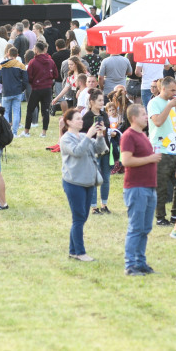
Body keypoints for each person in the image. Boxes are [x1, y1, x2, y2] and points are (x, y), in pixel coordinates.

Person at [59, 108, 106, 262]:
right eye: (78, 118)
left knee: (82, 217)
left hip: (88, 182)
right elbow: (77, 152)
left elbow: (100, 149)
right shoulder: (66, 139)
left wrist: (99, 135)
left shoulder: (85, 136)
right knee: (79, 218)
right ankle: (80, 252)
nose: (81, 121)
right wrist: (90, 135)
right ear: (69, 122)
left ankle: (73, 251)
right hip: (73, 182)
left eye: (81, 118)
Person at [121, 104, 161, 276]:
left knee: (145, 228)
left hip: (149, 187)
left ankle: (140, 262)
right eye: (144, 114)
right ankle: (130, 265)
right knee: (136, 228)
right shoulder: (129, 136)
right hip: (136, 187)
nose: (147, 117)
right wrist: (150, 158)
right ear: (134, 118)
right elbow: (126, 161)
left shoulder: (143, 135)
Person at [147, 77, 176, 225]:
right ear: (163, 89)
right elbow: (158, 122)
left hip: (173, 150)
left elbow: (172, 129)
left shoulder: (171, 104)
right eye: (172, 90)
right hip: (160, 149)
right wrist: (169, 106)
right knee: (161, 187)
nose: (175, 93)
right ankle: (160, 217)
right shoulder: (154, 103)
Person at [82, 89, 114, 214]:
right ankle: (94, 206)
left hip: (105, 149)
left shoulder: (104, 115)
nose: (102, 103)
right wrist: (92, 131)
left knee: (106, 177)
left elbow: (108, 130)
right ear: (92, 102)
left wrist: (107, 130)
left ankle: (104, 204)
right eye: (99, 100)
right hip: (93, 151)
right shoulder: (87, 117)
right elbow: (82, 135)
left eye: (103, 100)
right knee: (94, 178)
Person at [25, 42, 57, 136]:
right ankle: (44, 132)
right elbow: (56, 74)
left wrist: (33, 82)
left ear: (36, 50)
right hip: (47, 88)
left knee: (30, 109)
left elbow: (29, 77)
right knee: (45, 110)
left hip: (36, 88)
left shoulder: (33, 62)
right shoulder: (51, 61)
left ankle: (26, 131)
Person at [0, 47, 28, 135]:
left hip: (6, 92)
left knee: (6, 112)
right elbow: (26, 80)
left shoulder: (2, 65)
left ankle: (7, 132)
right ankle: (14, 133)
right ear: (17, 54)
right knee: (16, 112)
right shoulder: (21, 65)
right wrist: (21, 89)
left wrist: (6, 84)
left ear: (8, 54)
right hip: (17, 92)